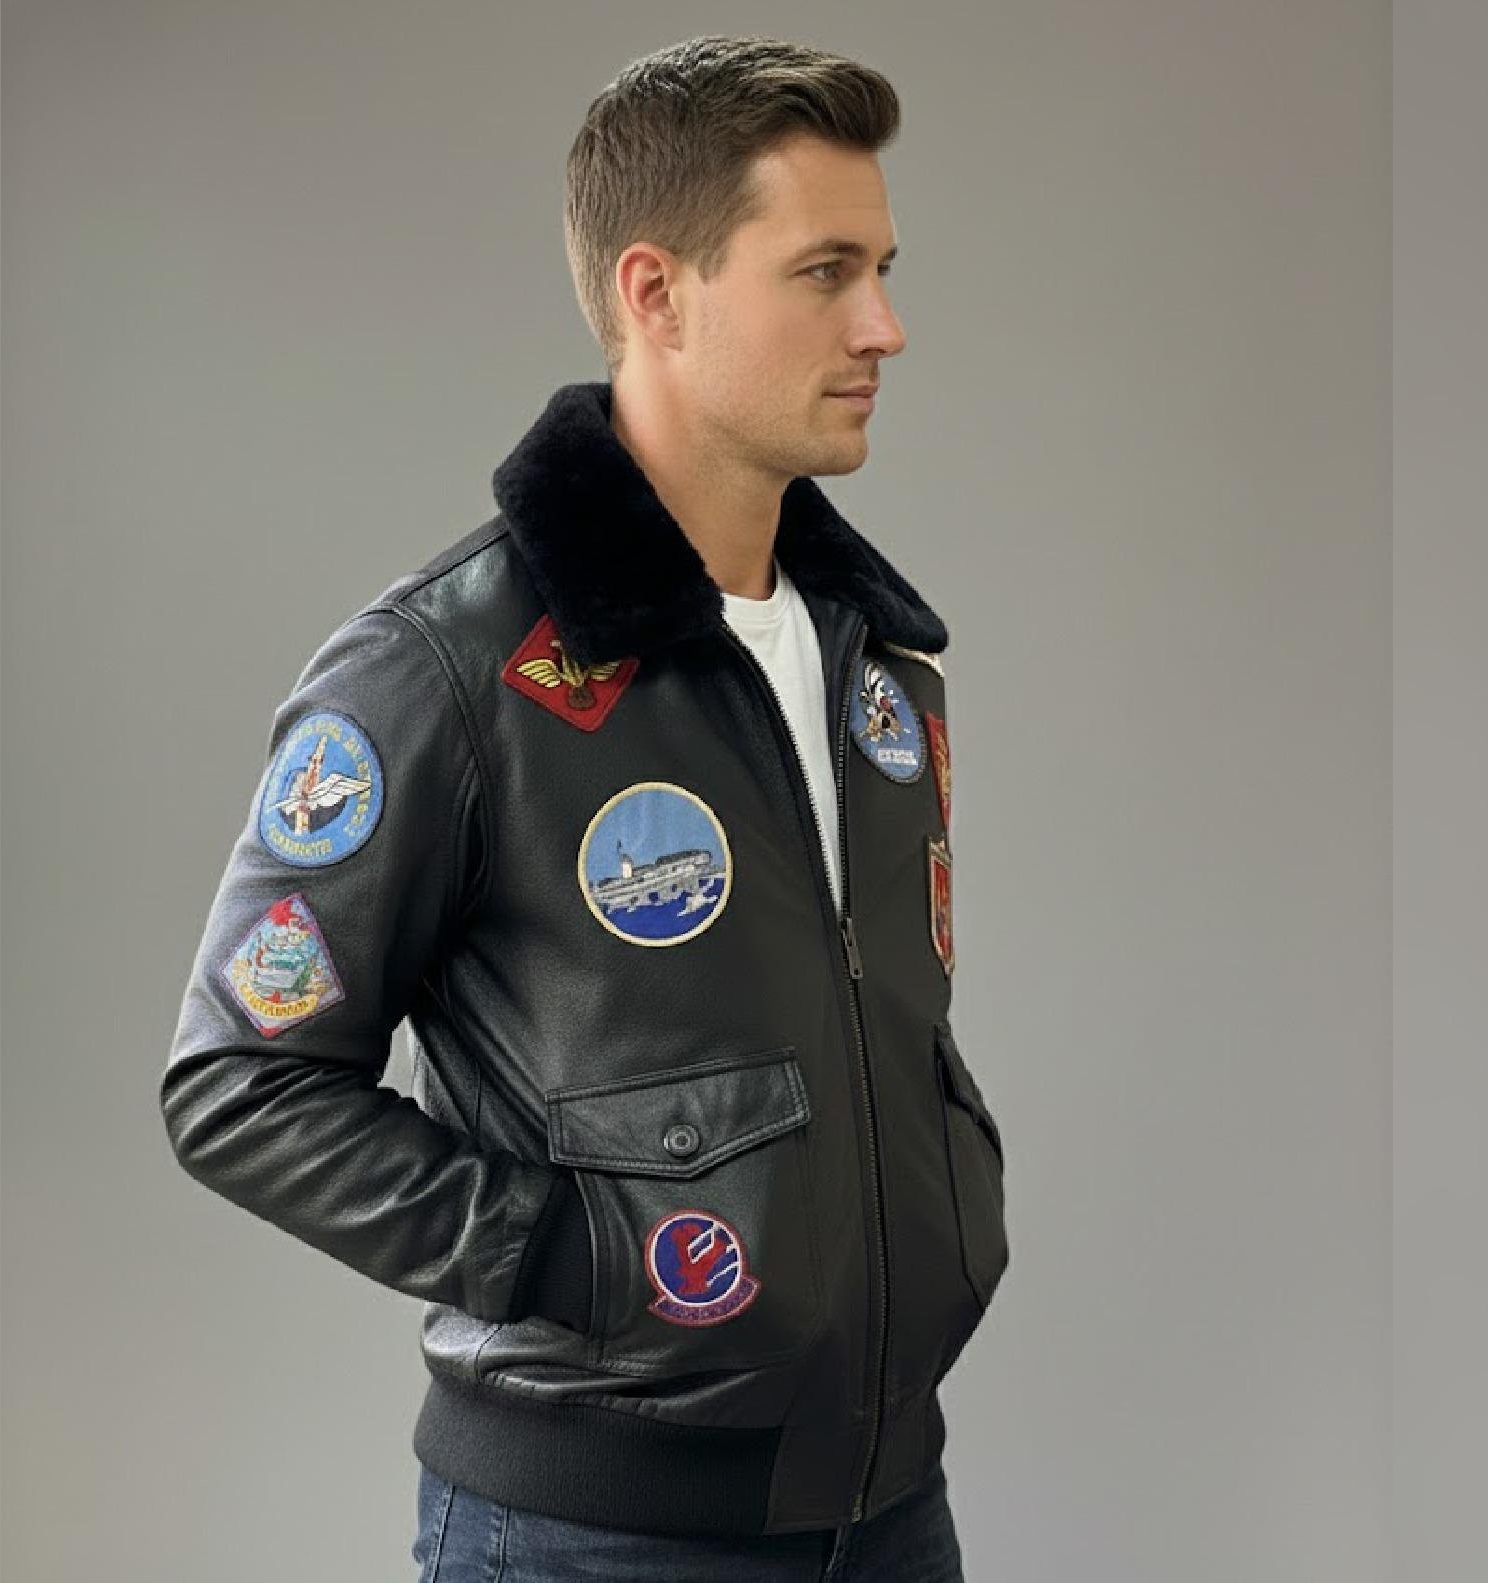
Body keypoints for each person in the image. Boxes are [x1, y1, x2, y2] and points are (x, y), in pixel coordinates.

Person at [160, 33, 1008, 1581]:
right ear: (655, 293)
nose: (885, 326)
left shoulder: (876, 656)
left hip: (893, 1507)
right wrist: (586, 1258)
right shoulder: (448, 669)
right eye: (825, 273)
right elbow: (240, 1085)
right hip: (590, 1535)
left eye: (882, 269)